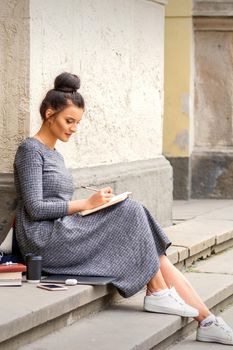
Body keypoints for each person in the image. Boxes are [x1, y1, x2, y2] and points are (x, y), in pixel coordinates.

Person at [14, 72, 233, 345]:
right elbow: (35, 208)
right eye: (69, 121)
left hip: (62, 229)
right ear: (49, 113)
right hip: (42, 241)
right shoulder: (29, 150)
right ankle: (160, 295)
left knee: (135, 217)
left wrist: (96, 205)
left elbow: (57, 203)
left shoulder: (55, 154)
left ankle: (206, 319)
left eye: (77, 123)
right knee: (130, 212)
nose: (73, 128)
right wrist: (86, 205)